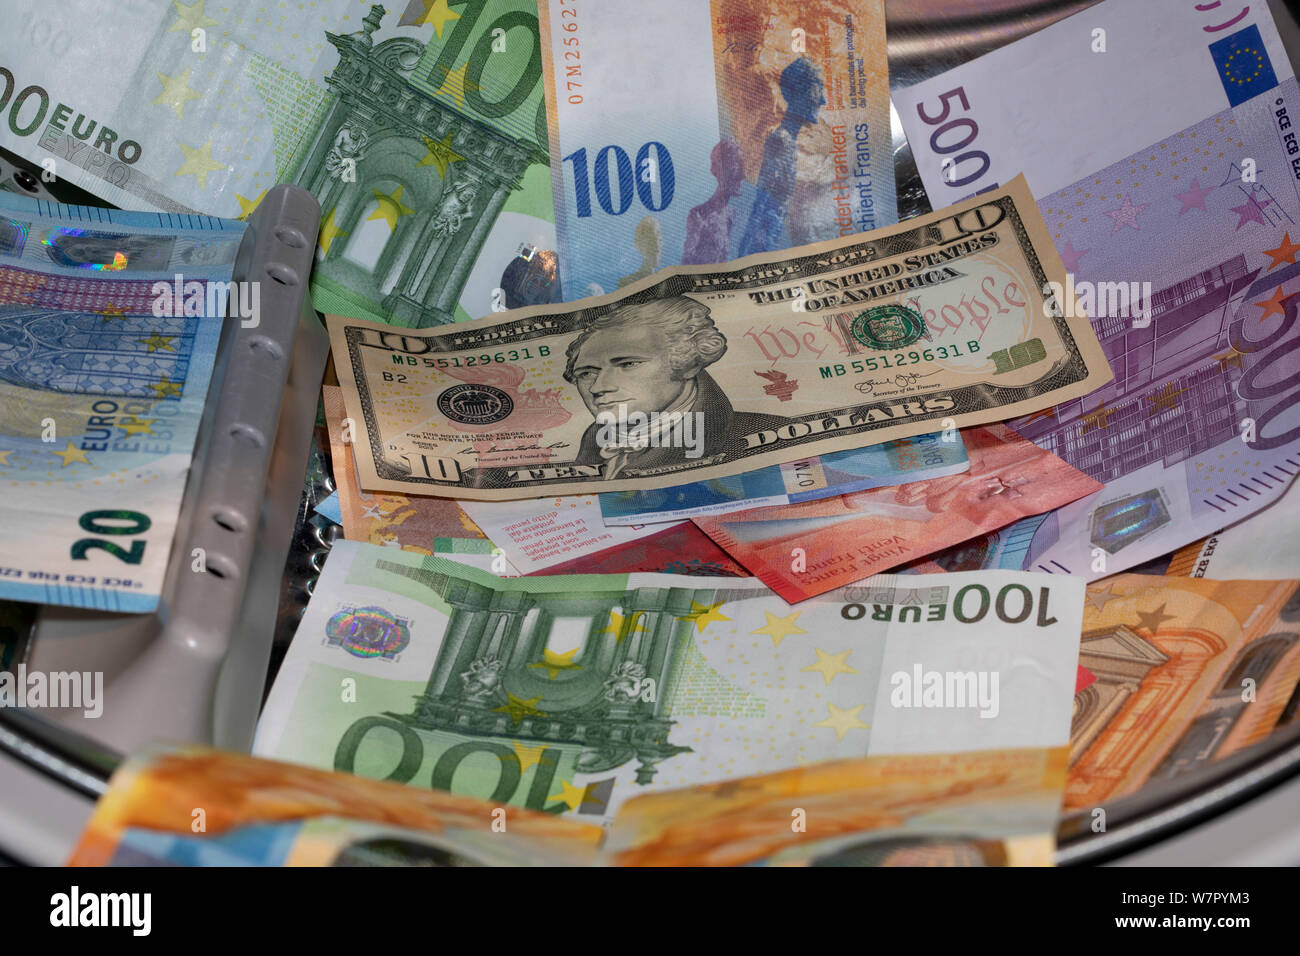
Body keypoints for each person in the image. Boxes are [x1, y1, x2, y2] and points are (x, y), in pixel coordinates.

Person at [563, 296, 789, 476]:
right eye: (586, 373)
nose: (597, 388)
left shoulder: (769, 436)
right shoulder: (592, 448)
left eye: (628, 364)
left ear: (688, 363)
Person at [737, 56, 827, 258]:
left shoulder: (788, 141)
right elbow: (761, 202)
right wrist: (750, 254)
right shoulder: (782, 141)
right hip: (762, 245)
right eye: (817, 89)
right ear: (798, 92)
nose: (822, 100)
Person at [682, 138, 745, 265]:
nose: (743, 175)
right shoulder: (699, 215)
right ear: (719, 170)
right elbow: (686, 263)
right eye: (736, 167)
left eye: (742, 166)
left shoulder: (730, 215)